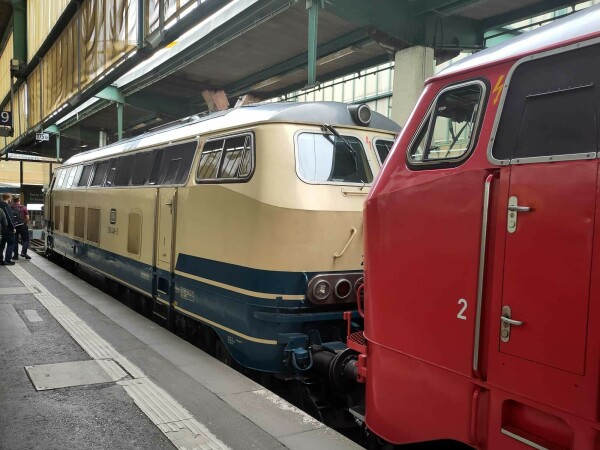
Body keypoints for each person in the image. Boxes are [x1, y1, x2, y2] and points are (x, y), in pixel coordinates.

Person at [12, 195, 31, 260]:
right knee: (25, 240)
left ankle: (15, 256)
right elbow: (27, 217)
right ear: (19, 199)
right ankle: (23, 252)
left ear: (13, 200)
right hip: (23, 225)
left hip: (14, 226)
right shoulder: (23, 207)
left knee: (15, 241)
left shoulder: (11, 207)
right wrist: (25, 223)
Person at [0, 193, 16, 265]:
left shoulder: (0, 205)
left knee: (2, 244)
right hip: (8, 228)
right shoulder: (6, 206)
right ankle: (7, 260)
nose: (11, 199)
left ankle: (0, 260)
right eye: (11, 198)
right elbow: (9, 218)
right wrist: (13, 228)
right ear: (8, 198)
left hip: (2, 229)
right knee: (11, 243)